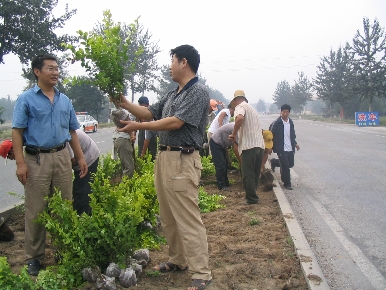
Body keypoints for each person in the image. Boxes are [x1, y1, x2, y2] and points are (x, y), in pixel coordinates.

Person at [111, 44, 212, 290]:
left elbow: (175, 123)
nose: (170, 66)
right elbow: (149, 113)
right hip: (165, 158)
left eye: (172, 60)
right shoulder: (173, 93)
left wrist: (138, 128)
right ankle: (178, 260)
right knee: (167, 216)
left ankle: (202, 272)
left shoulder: (197, 92)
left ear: (184, 62)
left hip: (183, 160)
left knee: (188, 217)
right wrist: (123, 102)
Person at [12, 54, 88, 276]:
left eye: (57, 69)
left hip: (62, 156)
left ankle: (64, 252)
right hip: (36, 159)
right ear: (37, 71)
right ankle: (34, 258)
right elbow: (17, 132)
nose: (56, 72)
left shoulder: (65, 100)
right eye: (50, 69)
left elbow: (73, 130)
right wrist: (20, 163)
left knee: (64, 207)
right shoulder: (26, 99)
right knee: (36, 209)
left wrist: (80, 157)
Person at [229, 90, 265, 205]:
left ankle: (252, 199)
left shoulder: (240, 106)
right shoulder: (252, 109)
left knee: (247, 173)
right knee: (254, 172)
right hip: (259, 145)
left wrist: (234, 133)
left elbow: (239, 119)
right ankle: (253, 194)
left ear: (235, 101)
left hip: (249, 146)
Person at [67, 129, 100, 215]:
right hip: (80, 158)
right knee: (78, 188)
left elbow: (71, 161)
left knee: (82, 190)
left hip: (89, 158)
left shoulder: (65, 136)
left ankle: (84, 218)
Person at [270, 104, 300, 190]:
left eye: (287, 112)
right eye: (284, 112)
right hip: (281, 148)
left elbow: (292, 135)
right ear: (281, 112)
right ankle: (287, 183)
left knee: (290, 164)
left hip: (290, 147)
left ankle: (275, 162)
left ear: (289, 112)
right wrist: (270, 147)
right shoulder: (277, 123)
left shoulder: (290, 122)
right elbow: (271, 135)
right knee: (286, 167)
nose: (285, 113)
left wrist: (295, 143)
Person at [209, 122, 240, 191]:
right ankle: (221, 185)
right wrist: (241, 161)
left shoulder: (239, 127)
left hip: (222, 144)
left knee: (225, 163)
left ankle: (225, 183)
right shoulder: (236, 129)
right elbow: (236, 149)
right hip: (216, 142)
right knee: (221, 164)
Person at [112, 111, 136, 178]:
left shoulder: (122, 130)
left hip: (122, 140)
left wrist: (131, 135)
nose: (129, 119)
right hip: (122, 142)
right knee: (129, 168)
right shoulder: (122, 133)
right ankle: (124, 187)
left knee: (127, 165)